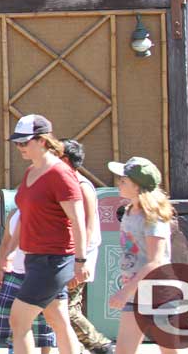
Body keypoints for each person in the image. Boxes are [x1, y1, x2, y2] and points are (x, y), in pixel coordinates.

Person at [1, 115, 89, 354]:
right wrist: (8, 252)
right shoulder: (31, 171)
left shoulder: (61, 173)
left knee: (18, 322)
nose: (19, 147)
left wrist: (81, 261)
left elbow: (78, 220)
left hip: (53, 260)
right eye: (16, 143)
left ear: (42, 141)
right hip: (35, 258)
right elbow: (25, 216)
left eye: (24, 142)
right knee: (59, 321)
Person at [107, 157, 174, 354]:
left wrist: (125, 290)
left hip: (158, 292)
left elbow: (156, 262)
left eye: (124, 180)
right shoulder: (129, 211)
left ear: (137, 187)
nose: (119, 183)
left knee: (169, 349)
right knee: (124, 351)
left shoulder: (153, 217)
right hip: (136, 293)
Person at [60, 140, 114, 354]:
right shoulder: (66, 184)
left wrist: (78, 261)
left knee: (68, 308)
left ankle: (101, 346)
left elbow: (89, 227)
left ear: (64, 160)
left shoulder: (81, 186)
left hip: (77, 257)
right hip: (67, 256)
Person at [0, 210, 56, 354]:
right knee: (13, 319)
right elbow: (5, 243)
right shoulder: (14, 215)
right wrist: (0, 267)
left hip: (40, 272)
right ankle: (13, 350)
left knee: (45, 321)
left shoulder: (45, 213)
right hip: (16, 272)